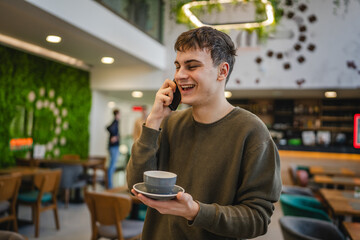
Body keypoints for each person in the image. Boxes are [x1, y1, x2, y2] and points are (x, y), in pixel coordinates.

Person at [126, 26, 282, 240]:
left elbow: (258, 219)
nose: (180, 75)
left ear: (222, 71)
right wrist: (153, 121)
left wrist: (196, 211)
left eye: (192, 66)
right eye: (178, 66)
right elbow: (135, 185)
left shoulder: (252, 132)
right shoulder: (171, 123)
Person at [106, 108, 120, 189]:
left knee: (112, 165)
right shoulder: (115, 122)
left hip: (113, 147)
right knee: (112, 166)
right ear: (117, 114)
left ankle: (110, 184)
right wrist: (114, 137)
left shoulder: (116, 122)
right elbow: (108, 128)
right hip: (114, 147)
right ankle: (110, 185)